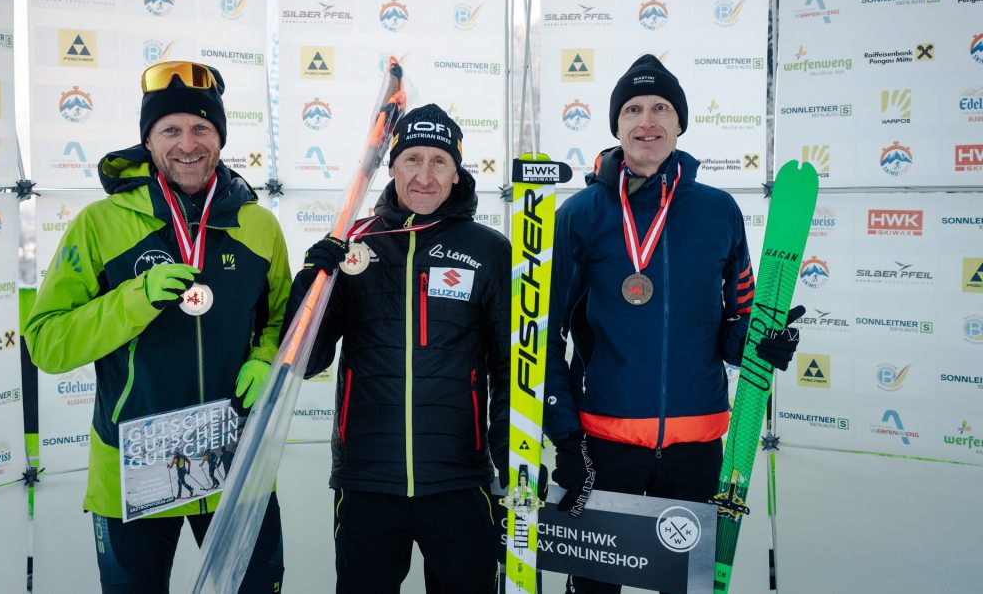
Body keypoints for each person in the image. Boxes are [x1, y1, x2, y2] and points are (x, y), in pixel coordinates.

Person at [23, 60, 291, 594]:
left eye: (201, 128)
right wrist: (136, 298)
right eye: (170, 130)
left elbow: (283, 318)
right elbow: (47, 343)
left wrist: (266, 357)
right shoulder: (100, 224)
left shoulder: (259, 225)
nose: (187, 144)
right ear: (148, 140)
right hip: (133, 472)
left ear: (220, 137)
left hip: (233, 462)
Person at [543, 54, 803, 593]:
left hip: (696, 447)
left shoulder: (718, 211)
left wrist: (763, 344)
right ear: (616, 125)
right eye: (633, 109)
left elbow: (735, 324)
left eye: (661, 108)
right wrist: (566, 439)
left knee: (686, 587)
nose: (648, 121)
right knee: (592, 588)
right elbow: (548, 337)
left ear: (680, 122)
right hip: (604, 446)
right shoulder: (580, 214)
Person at [282, 103, 510, 594]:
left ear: (456, 173)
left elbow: (507, 366)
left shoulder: (489, 250)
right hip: (368, 479)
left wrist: (508, 455)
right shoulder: (354, 244)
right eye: (412, 159)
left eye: (439, 161)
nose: (424, 176)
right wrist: (311, 280)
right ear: (392, 167)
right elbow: (309, 358)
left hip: (458, 478)